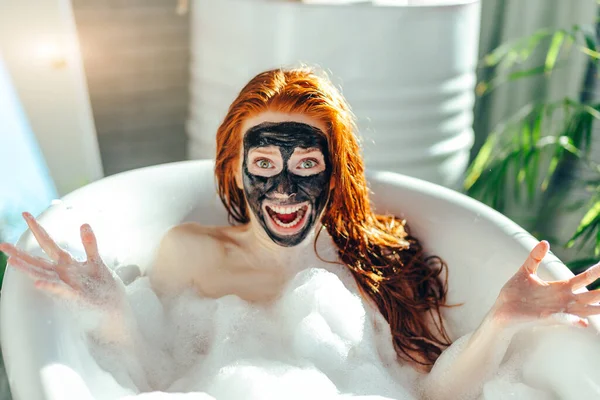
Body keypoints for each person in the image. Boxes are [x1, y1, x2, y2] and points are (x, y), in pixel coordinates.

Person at [1, 67, 600, 399]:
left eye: (306, 165)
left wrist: (502, 320)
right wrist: (114, 316)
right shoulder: (189, 252)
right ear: (233, 169)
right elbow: (155, 378)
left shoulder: (379, 262)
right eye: (263, 165)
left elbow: (431, 397)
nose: (284, 189)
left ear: (336, 172)